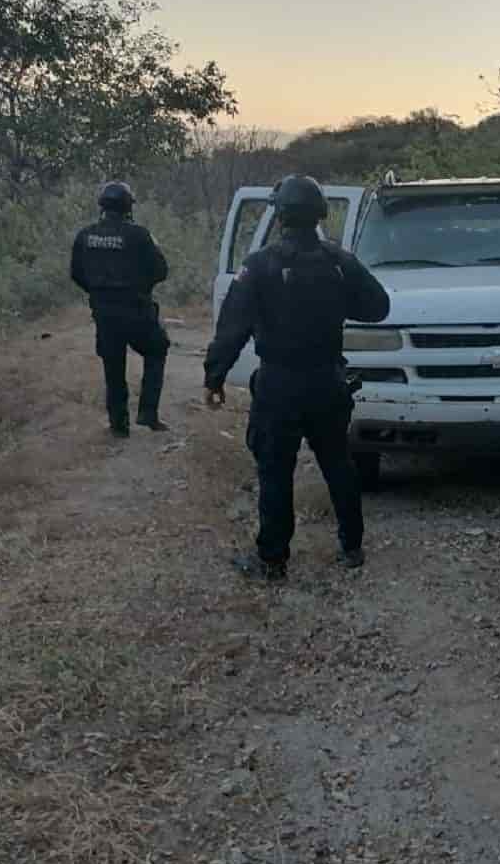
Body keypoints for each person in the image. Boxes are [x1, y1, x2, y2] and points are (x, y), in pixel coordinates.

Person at [203, 175, 391, 580]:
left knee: (275, 471)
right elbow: (378, 307)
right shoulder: (340, 261)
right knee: (338, 464)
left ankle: (272, 560)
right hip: (328, 381)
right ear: (319, 213)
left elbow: (232, 328)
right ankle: (352, 547)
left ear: (280, 214)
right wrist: (336, 302)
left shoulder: (259, 265)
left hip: (279, 385)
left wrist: (214, 376)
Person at [69, 180, 171, 437]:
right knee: (157, 349)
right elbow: (161, 270)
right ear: (127, 206)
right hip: (136, 310)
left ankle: (118, 425)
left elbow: (76, 274)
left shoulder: (85, 235)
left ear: (102, 206)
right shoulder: (139, 235)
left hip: (104, 315)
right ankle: (148, 413)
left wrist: (99, 293)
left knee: (113, 368)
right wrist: (141, 288)